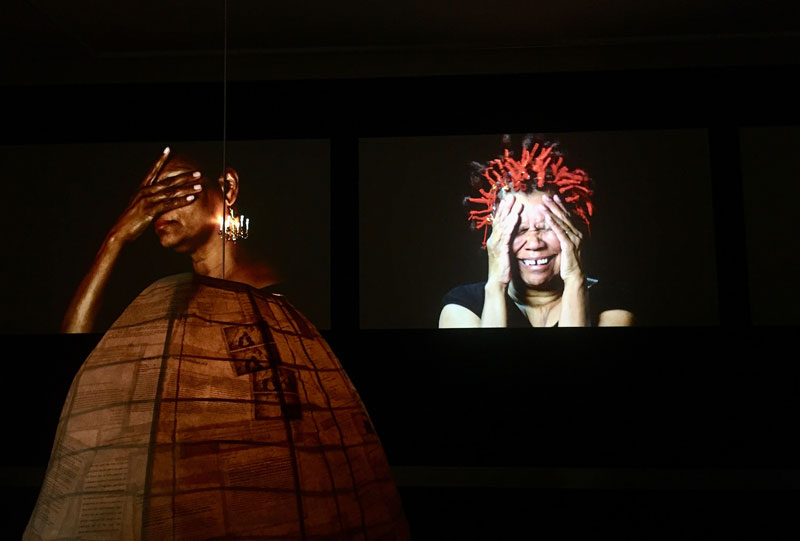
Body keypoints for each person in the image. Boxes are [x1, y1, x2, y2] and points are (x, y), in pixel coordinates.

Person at [28, 148, 410, 540]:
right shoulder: (165, 305)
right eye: (147, 194)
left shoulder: (285, 304)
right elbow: (74, 359)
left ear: (227, 188)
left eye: (173, 187)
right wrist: (115, 239)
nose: (156, 207)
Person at [439, 136, 634, 328]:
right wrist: (496, 286)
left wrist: (575, 280)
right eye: (518, 230)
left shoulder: (612, 301)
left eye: (547, 227)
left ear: (573, 230)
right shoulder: (462, 305)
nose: (534, 243)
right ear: (495, 237)